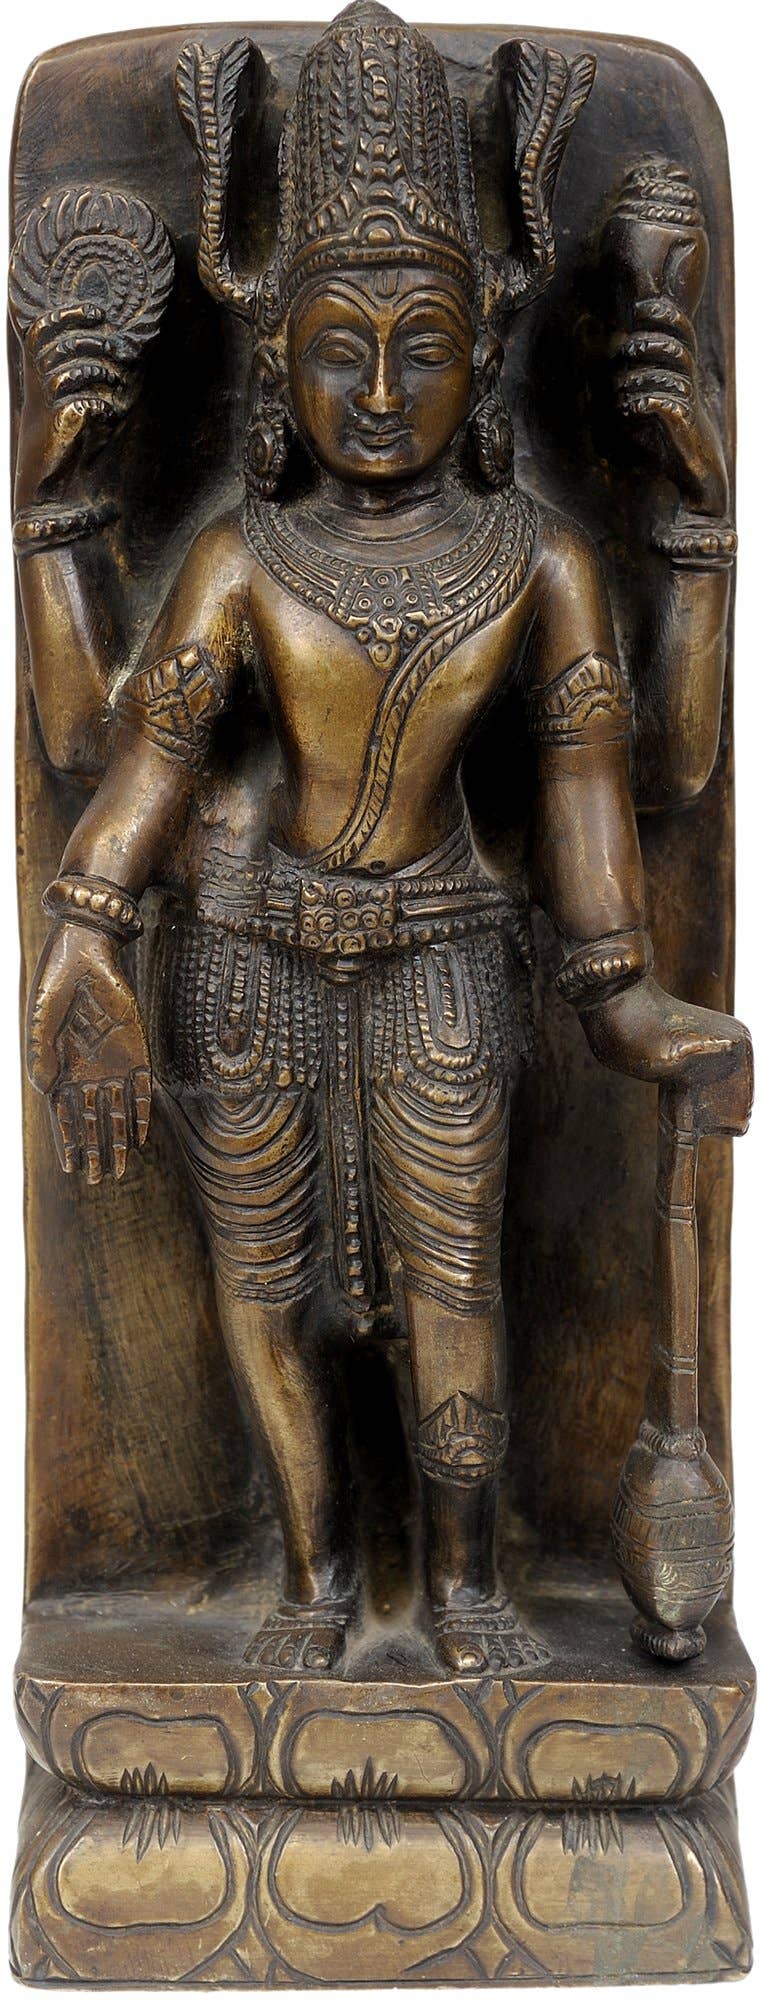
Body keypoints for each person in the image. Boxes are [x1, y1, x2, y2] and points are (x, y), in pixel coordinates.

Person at [19, 3, 748, 1675]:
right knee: (261, 1293)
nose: (376, 390)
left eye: (422, 345)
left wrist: (637, 1005)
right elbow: (141, 766)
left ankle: (471, 1589)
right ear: (275, 359)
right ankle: (311, 1582)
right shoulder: (239, 560)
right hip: (248, 967)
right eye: (335, 347)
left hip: (444, 966)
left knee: (454, 1286)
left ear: (482, 361)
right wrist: (85, 930)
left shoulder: (538, 562)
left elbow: (604, 802)